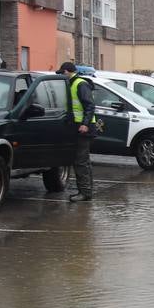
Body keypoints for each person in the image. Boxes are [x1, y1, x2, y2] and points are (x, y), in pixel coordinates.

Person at [58, 61, 96, 203]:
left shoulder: (80, 84)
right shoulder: (72, 83)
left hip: (84, 128)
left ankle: (85, 192)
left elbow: (90, 106)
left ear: (68, 71)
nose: (62, 75)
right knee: (83, 161)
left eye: (63, 72)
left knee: (81, 161)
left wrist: (85, 124)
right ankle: (86, 191)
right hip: (77, 127)